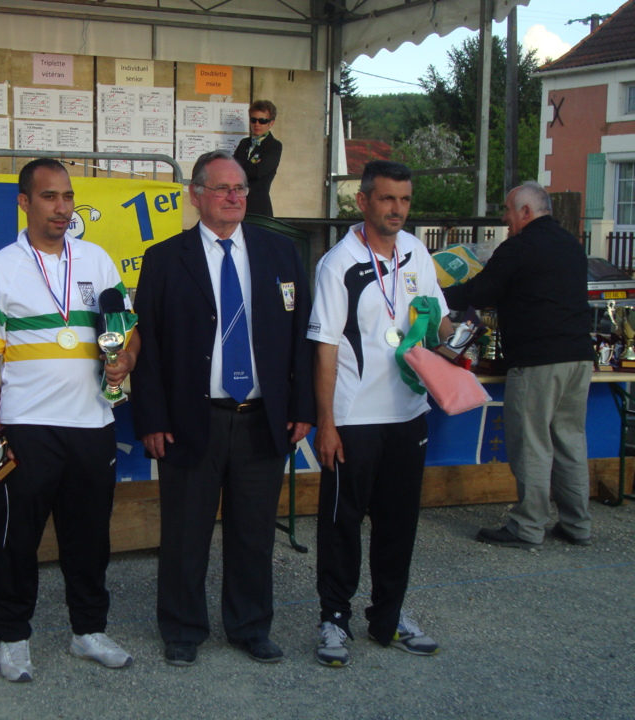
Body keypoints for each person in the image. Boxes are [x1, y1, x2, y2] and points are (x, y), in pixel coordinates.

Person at [0, 158, 139, 683]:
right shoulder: (0, 268)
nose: (62, 208)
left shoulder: (98, 261)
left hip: (91, 424)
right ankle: (13, 636)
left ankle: (89, 631)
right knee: (17, 539)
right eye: (49, 197)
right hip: (26, 428)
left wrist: (126, 358)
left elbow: (127, 331)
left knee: (89, 538)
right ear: (24, 202)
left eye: (67, 197)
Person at [131, 150, 314, 667]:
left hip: (262, 419)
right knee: (185, 534)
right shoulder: (165, 259)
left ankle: (250, 626)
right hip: (193, 420)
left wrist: (301, 405)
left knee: (253, 533)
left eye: (241, 189)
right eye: (223, 189)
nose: (236, 197)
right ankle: (183, 630)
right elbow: (148, 347)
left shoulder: (281, 253)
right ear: (196, 195)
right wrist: (152, 419)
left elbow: (302, 336)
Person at [308, 160, 452, 668]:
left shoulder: (416, 251)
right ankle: (334, 619)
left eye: (405, 200)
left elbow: (436, 321)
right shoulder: (337, 263)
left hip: (408, 411)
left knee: (398, 523)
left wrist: (459, 333)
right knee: (342, 522)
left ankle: (388, 617)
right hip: (354, 417)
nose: (397, 210)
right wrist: (326, 422)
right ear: (363, 201)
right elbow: (324, 347)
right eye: (388, 199)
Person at [442, 182, 593, 549]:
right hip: (579, 357)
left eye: (508, 211)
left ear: (525, 211)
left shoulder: (520, 246)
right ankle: (577, 524)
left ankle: (528, 526)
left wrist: (430, 294)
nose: (505, 219)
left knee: (532, 442)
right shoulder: (572, 246)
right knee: (570, 440)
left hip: (539, 360)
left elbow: (479, 292)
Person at [233, 100, 282, 217]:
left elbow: (257, 172)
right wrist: (247, 166)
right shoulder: (244, 143)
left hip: (258, 208)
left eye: (262, 121)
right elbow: (231, 168)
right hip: (236, 205)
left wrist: (240, 165)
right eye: (253, 120)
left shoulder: (274, 146)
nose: (257, 124)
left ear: (271, 123)